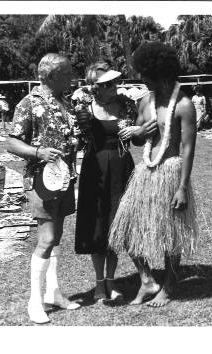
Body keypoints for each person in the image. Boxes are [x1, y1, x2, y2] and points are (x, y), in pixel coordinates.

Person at [108, 41, 198, 307]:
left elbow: (188, 148)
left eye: (146, 74)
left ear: (160, 73)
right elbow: (137, 140)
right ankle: (146, 280)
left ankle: (168, 286)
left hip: (171, 170)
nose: (142, 79)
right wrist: (138, 134)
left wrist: (182, 187)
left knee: (171, 232)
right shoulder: (145, 101)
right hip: (145, 172)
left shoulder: (183, 105)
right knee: (125, 231)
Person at [7, 53, 80, 324]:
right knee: (47, 239)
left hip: (63, 179)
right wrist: (38, 152)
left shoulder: (65, 102)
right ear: (52, 77)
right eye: (68, 73)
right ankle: (34, 301)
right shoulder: (28, 103)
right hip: (41, 182)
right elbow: (12, 142)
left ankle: (54, 293)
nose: (72, 77)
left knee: (56, 238)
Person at [74, 62, 138, 303]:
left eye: (114, 82)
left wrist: (138, 129)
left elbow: (139, 141)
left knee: (116, 223)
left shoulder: (126, 104)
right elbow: (79, 141)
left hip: (122, 167)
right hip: (95, 169)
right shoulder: (84, 107)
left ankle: (111, 280)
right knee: (98, 225)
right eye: (107, 84)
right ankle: (99, 284)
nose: (114, 86)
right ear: (94, 87)